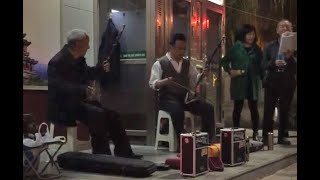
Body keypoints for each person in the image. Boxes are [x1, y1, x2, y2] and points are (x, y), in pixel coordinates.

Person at [47, 29, 142, 159]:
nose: (88, 47)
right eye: (86, 44)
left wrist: (101, 69)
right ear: (77, 44)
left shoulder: (79, 59)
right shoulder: (56, 62)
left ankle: (124, 152)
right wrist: (82, 89)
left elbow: (89, 73)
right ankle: (101, 156)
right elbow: (58, 86)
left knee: (113, 116)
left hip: (80, 103)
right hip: (64, 106)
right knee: (97, 114)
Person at [149, 33, 215, 152]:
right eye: (179, 48)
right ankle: (183, 144)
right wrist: (164, 82)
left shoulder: (186, 63)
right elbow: (152, 83)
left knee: (208, 108)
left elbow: (195, 78)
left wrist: (203, 75)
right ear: (171, 47)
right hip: (166, 100)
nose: (181, 52)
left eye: (183, 49)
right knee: (177, 111)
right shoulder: (160, 63)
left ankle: (207, 140)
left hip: (183, 99)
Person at [221, 24, 263, 141]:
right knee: (237, 107)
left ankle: (255, 132)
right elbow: (224, 62)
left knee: (253, 108)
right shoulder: (235, 48)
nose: (251, 37)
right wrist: (231, 71)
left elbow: (262, 66)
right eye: (249, 34)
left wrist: (263, 81)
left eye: (253, 34)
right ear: (243, 34)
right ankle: (236, 132)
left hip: (252, 83)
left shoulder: (257, 49)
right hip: (239, 82)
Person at [261, 19, 297, 145]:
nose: (285, 29)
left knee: (285, 110)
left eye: (288, 27)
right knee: (268, 110)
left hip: (287, 82)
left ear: (291, 30)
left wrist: (290, 57)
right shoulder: (269, 46)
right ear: (277, 30)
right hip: (272, 82)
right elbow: (263, 64)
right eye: (282, 27)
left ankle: (282, 137)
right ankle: (266, 137)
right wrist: (273, 63)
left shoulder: (295, 47)